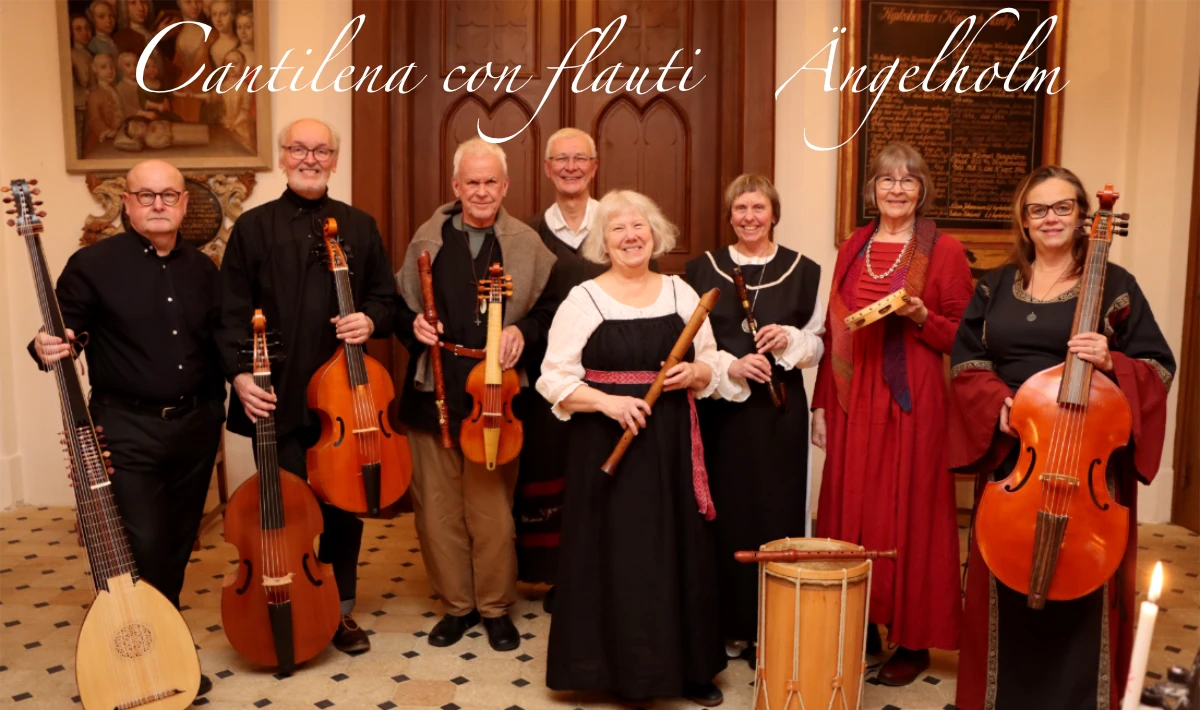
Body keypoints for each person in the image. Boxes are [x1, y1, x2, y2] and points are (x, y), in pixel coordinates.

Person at [950, 166, 1175, 710]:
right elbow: (966, 362)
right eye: (1037, 209)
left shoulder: (1116, 286)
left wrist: (1113, 361)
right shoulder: (994, 285)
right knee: (1003, 577)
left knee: (1085, 585)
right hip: (1018, 453)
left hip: (1086, 457)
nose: (1049, 219)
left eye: (1062, 207)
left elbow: (1158, 366)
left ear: (1082, 217)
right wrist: (998, 404)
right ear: (1024, 221)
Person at [29, 158, 226, 697]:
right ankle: (133, 656)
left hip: (195, 425)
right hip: (126, 426)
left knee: (178, 544)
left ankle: (164, 649)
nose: (158, 204)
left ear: (184, 203)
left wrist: (224, 400)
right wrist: (46, 346)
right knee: (141, 544)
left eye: (169, 195)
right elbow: (61, 333)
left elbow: (218, 341)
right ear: (127, 203)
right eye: (146, 195)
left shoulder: (203, 269)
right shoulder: (92, 265)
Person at [539, 189, 736, 708]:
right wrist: (608, 403)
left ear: (655, 235)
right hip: (606, 442)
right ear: (603, 242)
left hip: (670, 442)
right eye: (618, 229)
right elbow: (553, 379)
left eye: (639, 227)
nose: (630, 237)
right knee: (621, 554)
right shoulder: (584, 299)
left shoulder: (681, 293)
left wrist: (695, 372)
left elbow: (711, 361)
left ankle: (689, 669)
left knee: (676, 549)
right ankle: (615, 671)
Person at [216, 118, 397, 655]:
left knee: (343, 510)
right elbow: (228, 314)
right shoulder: (253, 228)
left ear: (334, 160)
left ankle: (339, 611)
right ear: (283, 156)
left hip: (346, 402)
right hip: (276, 397)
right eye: (299, 148)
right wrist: (240, 376)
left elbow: (386, 299)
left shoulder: (359, 226)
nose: (310, 158)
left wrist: (369, 319)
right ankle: (291, 602)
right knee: (287, 512)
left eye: (321, 150)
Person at [811, 142, 972, 685]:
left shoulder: (945, 251)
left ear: (922, 190)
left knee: (911, 511)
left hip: (913, 399)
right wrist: (820, 404)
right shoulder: (853, 246)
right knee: (850, 506)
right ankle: (859, 623)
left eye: (908, 180)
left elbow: (964, 337)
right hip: (853, 394)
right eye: (886, 179)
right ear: (872, 189)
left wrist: (923, 316)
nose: (896, 189)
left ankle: (913, 639)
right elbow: (833, 330)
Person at [394, 137, 556, 652]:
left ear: (505, 186)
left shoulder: (527, 244)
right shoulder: (428, 238)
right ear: (455, 186)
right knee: (437, 510)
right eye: (472, 182)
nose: (481, 191)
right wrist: (412, 326)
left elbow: (551, 312)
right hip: (434, 388)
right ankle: (457, 606)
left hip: (496, 394)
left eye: (490, 182)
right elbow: (397, 305)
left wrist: (523, 331)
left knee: (491, 512)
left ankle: (494, 607)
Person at [684, 173, 824, 666]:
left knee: (776, 511)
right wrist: (731, 365)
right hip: (721, 411)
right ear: (729, 216)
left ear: (774, 213)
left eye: (758, 208)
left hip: (779, 414)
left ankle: (772, 624)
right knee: (725, 514)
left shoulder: (805, 270)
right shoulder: (700, 269)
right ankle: (728, 623)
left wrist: (789, 340)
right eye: (740, 208)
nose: (749, 217)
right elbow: (691, 342)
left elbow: (819, 343)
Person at [514, 127, 606, 610]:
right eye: (561, 159)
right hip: (545, 381)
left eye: (580, 159)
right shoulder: (526, 233)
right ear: (547, 169)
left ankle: (595, 571)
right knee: (547, 470)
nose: (571, 167)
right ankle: (552, 575)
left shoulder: (617, 225)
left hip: (607, 379)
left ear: (594, 167)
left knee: (598, 474)